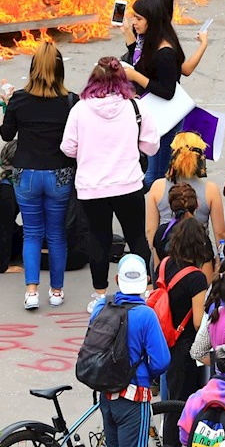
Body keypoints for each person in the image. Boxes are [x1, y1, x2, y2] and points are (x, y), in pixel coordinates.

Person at [64, 57, 160, 302]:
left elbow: (68, 148)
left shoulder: (80, 109)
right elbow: (151, 146)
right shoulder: (136, 107)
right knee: (136, 236)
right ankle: (145, 290)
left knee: (98, 238)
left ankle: (99, 294)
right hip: (128, 184)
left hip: (92, 187)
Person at [2, 42, 77, 310]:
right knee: (56, 233)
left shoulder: (20, 99)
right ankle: (56, 291)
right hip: (59, 172)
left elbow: (6, 134)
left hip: (26, 173)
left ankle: (31, 291)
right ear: (60, 70)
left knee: (32, 233)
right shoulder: (71, 101)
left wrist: (7, 104)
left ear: (33, 69)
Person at [89, 254, 171, 447]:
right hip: (134, 397)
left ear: (118, 280)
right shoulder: (146, 315)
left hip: (107, 395)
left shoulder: (102, 305)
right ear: (146, 281)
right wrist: (143, 373)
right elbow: (162, 361)